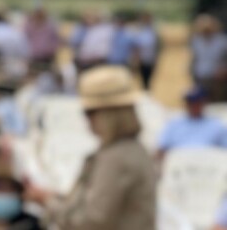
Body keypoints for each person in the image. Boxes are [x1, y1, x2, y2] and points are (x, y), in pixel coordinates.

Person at [25, 66, 157, 230]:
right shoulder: (129, 151)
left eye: (89, 113)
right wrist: (55, 198)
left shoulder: (117, 158)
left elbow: (91, 221)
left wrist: (47, 202)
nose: (87, 120)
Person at [157, 87, 227, 159]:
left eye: (197, 102)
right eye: (191, 102)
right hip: (180, 163)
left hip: (209, 163)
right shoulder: (173, 124)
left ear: (204, 102)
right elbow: (161, 150)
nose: (194, 105)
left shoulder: (216, 125)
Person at [191, 14, 227, 102]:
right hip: (201, 75)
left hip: (217, 76)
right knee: (203, 100)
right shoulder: (196, 41)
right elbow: (195, 58)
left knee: (218, 100)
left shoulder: (222, 41)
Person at [133, 12, 159, 91]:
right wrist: (136, 58)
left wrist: (156, 57)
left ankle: (147, 91)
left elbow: (157, 46)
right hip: (142, 58)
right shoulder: (138, 31)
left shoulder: (153, 31)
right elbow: (136, 45)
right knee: (143, 78)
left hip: (150, 58)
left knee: (149, 78)